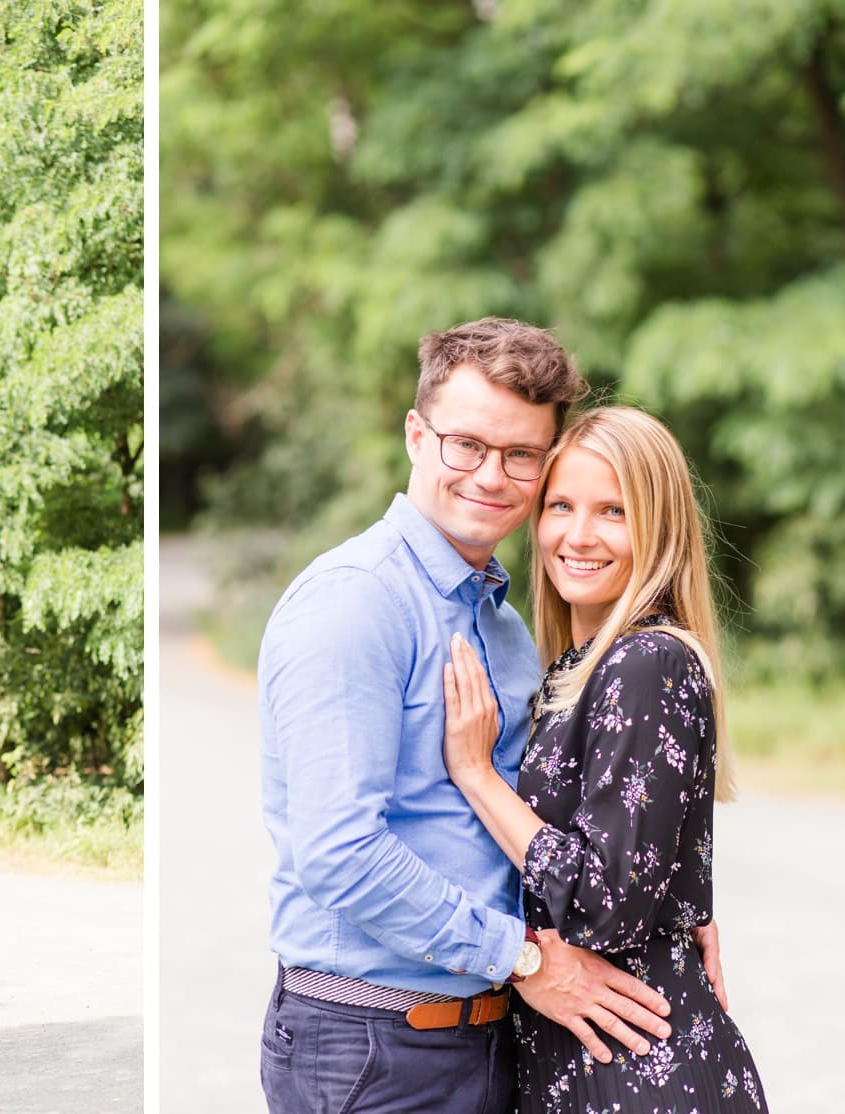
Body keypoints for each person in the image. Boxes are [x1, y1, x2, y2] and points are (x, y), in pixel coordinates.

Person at [259, 318, 690, 1114]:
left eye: (521, 454)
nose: (492, 475)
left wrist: (677, 912)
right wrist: (524, 960)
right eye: (467, 445)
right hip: (374, 1045)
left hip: (494, 1036)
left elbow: (555, 823)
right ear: (418, 437)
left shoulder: (505, 625)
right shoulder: (357, 603)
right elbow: (339, 852)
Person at [441, 406, 767, 1112]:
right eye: (561, 505)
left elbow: (607, 907)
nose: (578, 535)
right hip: (590, 1062)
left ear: (660, 528)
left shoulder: (647, 661)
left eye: (613, 511)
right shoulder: (578, 665)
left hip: (639, 1072)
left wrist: (476, 776)